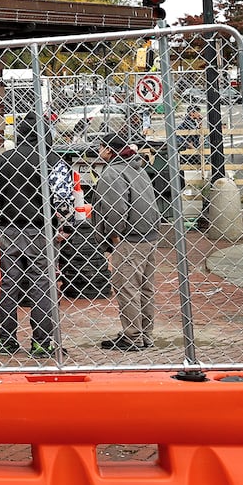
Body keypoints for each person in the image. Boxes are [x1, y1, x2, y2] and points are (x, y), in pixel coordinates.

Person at [0, 115, 74, 358]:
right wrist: (66, 228)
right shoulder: (53, 160)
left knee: (9, 284)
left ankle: (7, 341)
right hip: (41, 230)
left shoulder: (3, 160)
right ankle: (42, 342)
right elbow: (63, 199)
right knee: (41, 285)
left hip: (9, 229)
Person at [91, 131, 161, 350]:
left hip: (129, 237)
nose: (98, 150)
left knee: (127, 287)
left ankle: (132, 337)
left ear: (110, 150)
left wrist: (113, 235)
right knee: (145, 287)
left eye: (101, 146)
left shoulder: (112, 172)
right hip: (148, 233)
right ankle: (145, 334)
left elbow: (115, 208)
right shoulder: (136, 166)